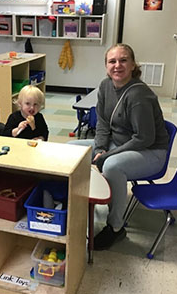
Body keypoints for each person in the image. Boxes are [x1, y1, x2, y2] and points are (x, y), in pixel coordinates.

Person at [69, 43, 169, 250]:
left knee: (112, 166)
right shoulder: (106, 86)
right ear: (106, 65)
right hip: (121, 143)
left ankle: (115, 227)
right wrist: (99, 149)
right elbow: (103, 122)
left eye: (123, 60)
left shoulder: (138, 95)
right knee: (72, 148)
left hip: (150, 152)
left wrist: (108, 155)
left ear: (133, 65)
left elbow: (144, 138)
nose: (117, 65)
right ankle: (73, 206)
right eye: (112, 61)